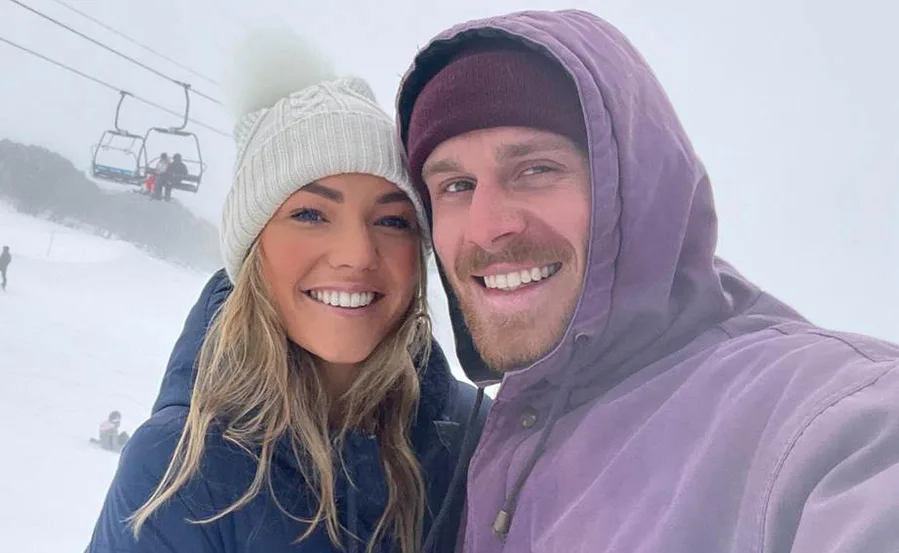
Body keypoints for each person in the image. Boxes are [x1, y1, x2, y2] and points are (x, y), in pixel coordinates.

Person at [396, 9, 899, 553]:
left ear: (633, 184)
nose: (489, 226)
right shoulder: (500, 438)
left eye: (536, 169)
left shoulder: (821, 417)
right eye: (455, 185)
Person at [86, 32, 487, 553]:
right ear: (254, 251)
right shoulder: (181, 473)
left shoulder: (474, 441)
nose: (357, 254)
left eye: (392, 220)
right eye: (309, 214)